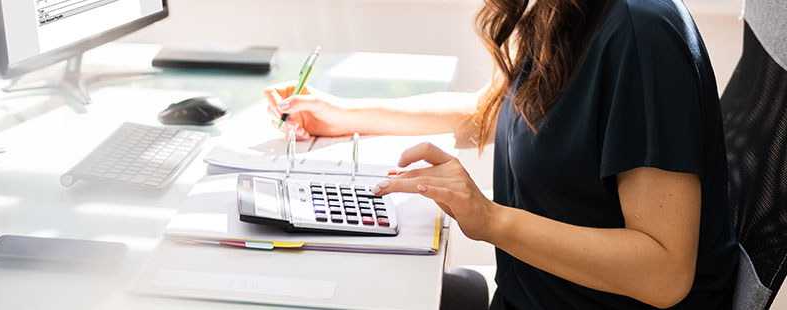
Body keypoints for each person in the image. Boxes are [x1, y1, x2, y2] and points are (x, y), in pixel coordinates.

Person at [263, 0, 737, 308]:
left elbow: (664, 273)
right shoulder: (560, 10)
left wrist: (490, 219)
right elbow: (496, 112)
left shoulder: (641, 34)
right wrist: (346, 115)